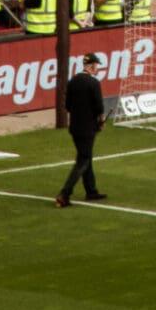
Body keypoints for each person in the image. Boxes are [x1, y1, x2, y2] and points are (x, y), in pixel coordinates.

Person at [55, 52, 108, 207]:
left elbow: (68, 106)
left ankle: (91, 190)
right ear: (91, 66)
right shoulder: (93, 83)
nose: (97, 68)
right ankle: (65, 193)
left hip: (75, 128)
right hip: (88, 128)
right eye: (96, 65)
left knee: (86, 156)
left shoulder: (73, 81)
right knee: (83, 160)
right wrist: (100, 120)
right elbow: (99, 107)